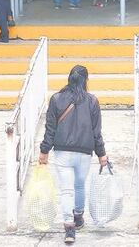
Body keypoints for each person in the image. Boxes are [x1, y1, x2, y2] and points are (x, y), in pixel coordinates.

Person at [38, 65, 107, 245]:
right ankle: (78, 218)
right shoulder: (92, 101)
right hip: (84, 153)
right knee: (79, 186)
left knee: (67, 190)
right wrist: (102, 154)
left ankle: (69, 229)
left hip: (62, 152)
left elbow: (50, 129)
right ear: (86, 80)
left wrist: (44, 150)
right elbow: (96, 132)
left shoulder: (56, 99)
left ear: (69, 79)